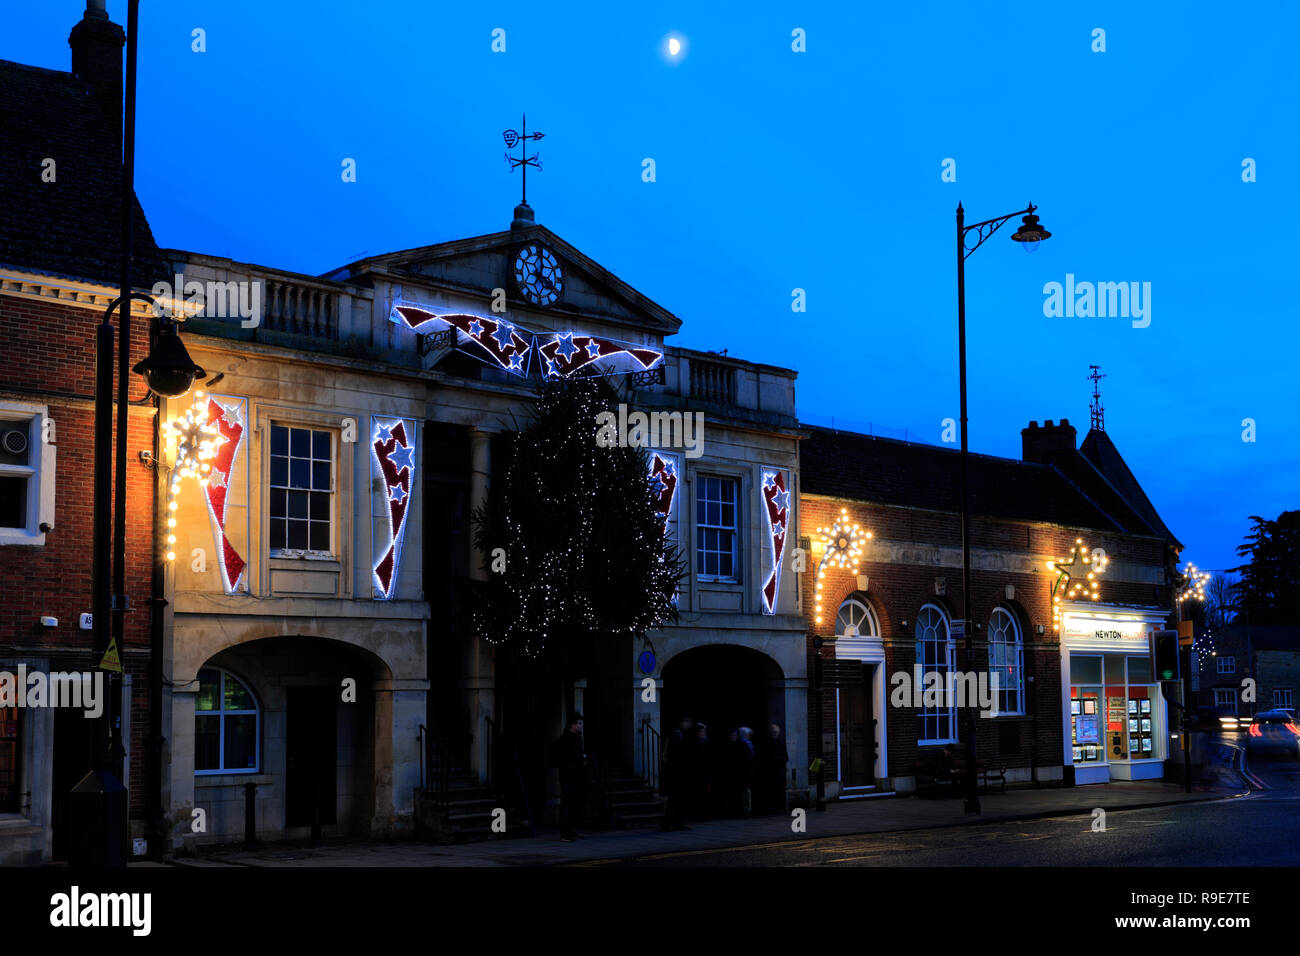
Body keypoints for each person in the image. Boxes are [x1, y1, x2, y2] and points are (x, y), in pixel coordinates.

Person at [551, 713, 586, 841]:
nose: (581, 726)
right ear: (573, 725)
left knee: (573, 803)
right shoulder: (566, 739)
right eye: (579, 723)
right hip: (568, 774)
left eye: (581, 723)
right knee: (567, 803)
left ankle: (571, 831)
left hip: (575, 774)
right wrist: (581, 758)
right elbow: (568, 756)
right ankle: (565, 834)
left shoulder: (576, 737)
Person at [660, 716, 694, 831]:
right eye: (687, 722)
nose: (689, 724)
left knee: (675, 799)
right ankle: (672, 822)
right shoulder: (677, 735)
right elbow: (676, 755)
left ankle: (673, 822)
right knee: (676, 799)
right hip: (676, 773)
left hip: (675, 772)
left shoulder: (678, 735)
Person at [758, 722, 788, 813]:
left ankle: (780, 807)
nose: (775, 733)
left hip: (779, 771)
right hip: (771, 771)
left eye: (776, 732)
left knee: (780, 790)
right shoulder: (767, 743)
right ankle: (773, 807)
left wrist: (777, 759)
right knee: (772, 790)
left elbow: (786, 757)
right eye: (773, 732)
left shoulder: (781, 743)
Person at [734, 727, 756, 817]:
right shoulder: (742, 744)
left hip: (747, 771)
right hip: (744, 772)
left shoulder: (747, 743)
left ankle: (747, 809)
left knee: (746, 791)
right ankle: (745, 810)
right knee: (744, 792)